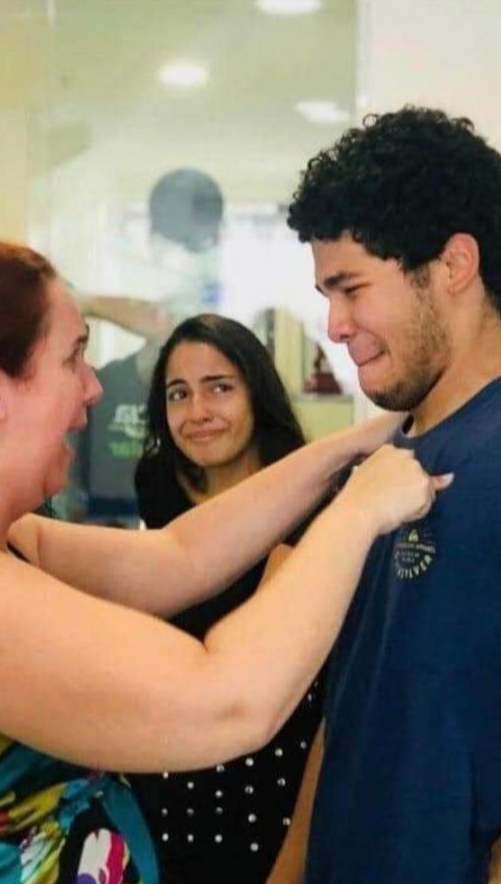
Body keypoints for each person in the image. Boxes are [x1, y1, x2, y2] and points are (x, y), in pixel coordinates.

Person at [0, 239, 447, 884]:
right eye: (73, 358)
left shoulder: (6, 536)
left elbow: (176, 558)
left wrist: (358, 444)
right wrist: (359, 513)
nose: (93, 389)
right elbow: (226, 699)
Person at [285, 107, 501, 884]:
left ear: (452, 266)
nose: (335, 326)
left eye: (352, 288)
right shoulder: (382, 463)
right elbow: (348, 708)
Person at [131, 313, 323, 883]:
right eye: (178, 393)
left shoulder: (308, 495)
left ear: (256, 393)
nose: (198, 413)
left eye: (219, 387)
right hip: (166, 769)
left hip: (273, 768)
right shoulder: (159, 484)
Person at [72, 168, 224, 524]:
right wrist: (94, 304)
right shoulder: (104, 389)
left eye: (196, 244)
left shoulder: (236, 386)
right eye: (174, 243)